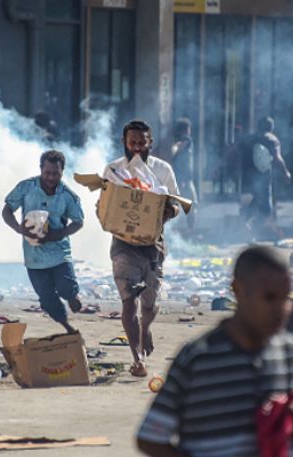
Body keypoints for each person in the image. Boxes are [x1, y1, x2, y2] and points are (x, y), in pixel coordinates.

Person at [137, 246, 293, 457]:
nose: (280, 309)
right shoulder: (199, 358)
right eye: (269, 297)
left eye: (285, 298)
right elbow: (150, 437)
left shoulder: (290, 352)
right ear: (238, 290)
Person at [104, 120, 180, 377]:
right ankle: (137, 358)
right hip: (123, 245)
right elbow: (106, 206)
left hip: (153, 246)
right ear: (124, 142)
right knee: (129, 301)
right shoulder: (113, 170)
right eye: (132, 142)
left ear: (150, 143)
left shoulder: (163, 169)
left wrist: (163, 212)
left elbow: (176, 204)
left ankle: (145, 328)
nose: (137, 148)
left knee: (150, 303)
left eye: (142, 143)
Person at [2, 150, 84, 334]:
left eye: (55, 173)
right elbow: (7, 210)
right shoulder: (26, 187)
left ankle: (71, 296)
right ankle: (68, 327)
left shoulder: (68, 196)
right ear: (40, 169)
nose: (50, 177)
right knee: (46, 298)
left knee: (65, 287)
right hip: (34, 256)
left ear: (62, 172)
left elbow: (78, 222)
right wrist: (19, 228)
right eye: (47, 173)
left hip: (59, 252)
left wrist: (58, 234)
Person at [245, 117, 291, 240]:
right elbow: (277, 157)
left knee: (256, 200)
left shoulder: (251, 138)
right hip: (264, 176)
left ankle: (246, 224)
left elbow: (236, 150)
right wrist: (286, 172)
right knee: (266, 207)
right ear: (271, 127)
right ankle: (255, 230)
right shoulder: (272, 139)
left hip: (249, 176)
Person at [170, 117, 198, 233]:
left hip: (183, 178)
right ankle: (189, 230)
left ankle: (180, 230)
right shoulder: (187, 140)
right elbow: (178, 147)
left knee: (182, 204)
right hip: (184, 179)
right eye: (189, 128)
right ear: (186, 130)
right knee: (191, 204)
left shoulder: (178, 140)